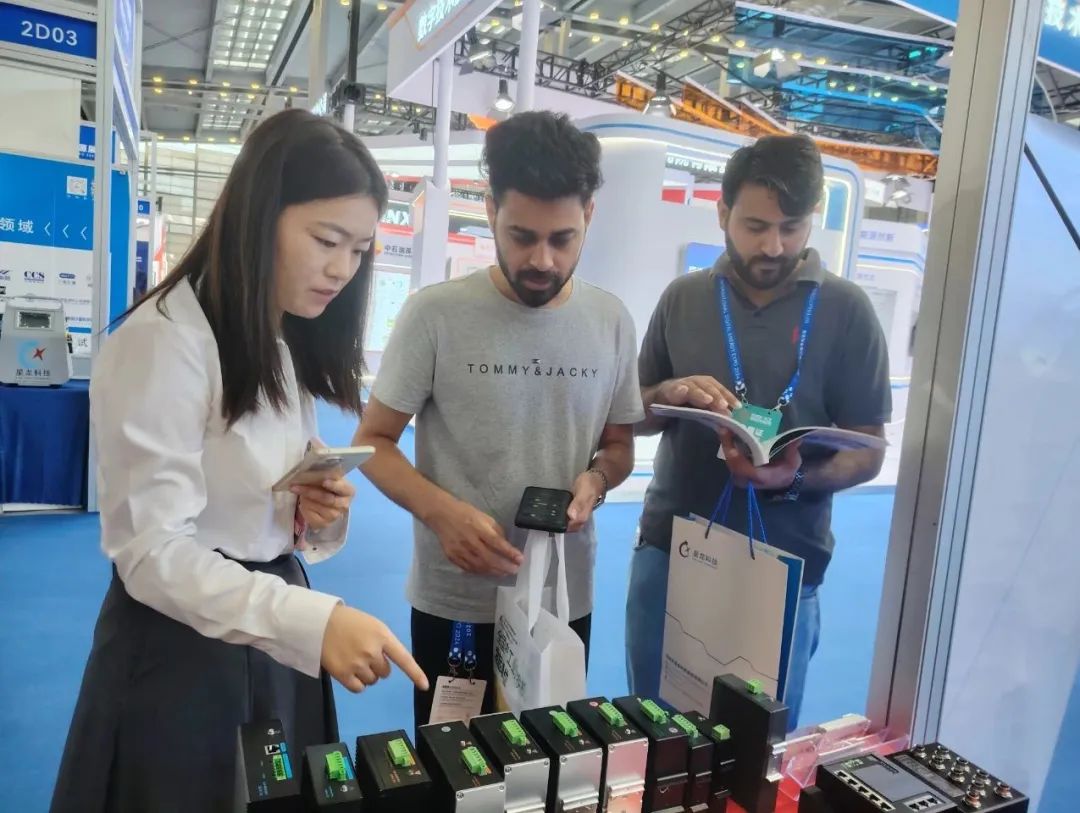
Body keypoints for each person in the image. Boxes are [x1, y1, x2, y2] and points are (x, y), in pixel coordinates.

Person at [51, 109, 427, 813]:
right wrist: (313, 623)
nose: (342, 269)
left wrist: (311, 511)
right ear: (260, 216)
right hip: (182, 651)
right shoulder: (164, 341)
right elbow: (152, 553)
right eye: (326, 240)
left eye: (360, 249)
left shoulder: (278, 336)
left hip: (270, 633)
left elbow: (258, 510)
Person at [355, 111, 644, 729]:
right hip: (456, 597)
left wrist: (596, 481)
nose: (542, 258)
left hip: (562, 595)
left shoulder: (612, 322)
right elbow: (373, 443)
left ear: (589, 216)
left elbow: (619, 446)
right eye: (521, 235)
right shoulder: (435, 315)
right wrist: (441, 513)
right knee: (451, 765)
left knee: (549, 760)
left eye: (562, 238)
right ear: (490, 212)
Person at [626, 134, 890, 729]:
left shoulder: (848, 310)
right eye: (755, 226)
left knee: (756, 750)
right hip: (672, 549)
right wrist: (667, 395)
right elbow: (633, 415)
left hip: (786, 564)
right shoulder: (683, 298)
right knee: (654, 733)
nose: (773, 246)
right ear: (721, 213)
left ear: (812, 219)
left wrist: (793, 477)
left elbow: (868, 449)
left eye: (791, 228)